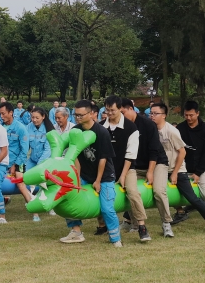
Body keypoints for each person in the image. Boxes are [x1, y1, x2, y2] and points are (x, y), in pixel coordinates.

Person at [60, 100, 122, 247]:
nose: (78, 118)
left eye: (81, 115)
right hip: (85, 174)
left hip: (104, 175)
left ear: (91, 114)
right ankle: (76, 231)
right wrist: (77, 179)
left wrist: (98, 180)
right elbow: (76, 156)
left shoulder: (101, 132)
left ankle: (115, 238)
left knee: (107, 208)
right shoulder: (75, 131)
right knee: (68, 195)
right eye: (76, 115)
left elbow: (103, 159)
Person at [98, 95, 151, 242]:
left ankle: (142, 226)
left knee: (133, 192)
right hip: (106, 169)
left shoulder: (131, 127)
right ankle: (103, 225)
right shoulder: (101, 127)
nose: (109, 113)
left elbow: (131, 154)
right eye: (107, 110)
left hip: (127, 168)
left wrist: (123, 175)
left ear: (120, 108)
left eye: (112, 110)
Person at [119, 98, 174, 238]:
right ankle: (135, 223)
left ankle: (166, 223)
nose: (121, 116)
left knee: (159, 191)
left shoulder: (148, 124)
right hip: (135, 165)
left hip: (157, 162)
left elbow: (154, 150)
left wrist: (150, 171)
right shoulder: (122, 126)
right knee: (129, 189)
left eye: (123, 112)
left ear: (131, 109)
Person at [150, 103, 205, 223]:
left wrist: (177, 173)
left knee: (195, 197)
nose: (188, 118)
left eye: (155, 113)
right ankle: (180, 212)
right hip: (164, 168)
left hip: (183, 169)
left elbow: (182, 152)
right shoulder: (155, 129)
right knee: (160, 191)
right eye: (151, 113)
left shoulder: (172, 131)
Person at [174, 101, 205, 223]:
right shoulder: (179, 129)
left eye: (191, 115)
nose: (188, 118)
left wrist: (198, 173)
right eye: (186, 115)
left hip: (201, 168)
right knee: (170, 187)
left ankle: (194, 205)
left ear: (197, 113)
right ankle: (180, 212)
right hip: (183, 168)